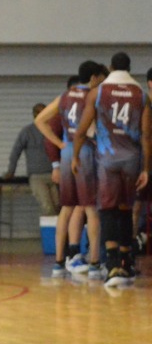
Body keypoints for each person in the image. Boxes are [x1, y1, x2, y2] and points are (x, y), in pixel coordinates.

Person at [73, 52, 149, 287]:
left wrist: (75, 156)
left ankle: (112, 265)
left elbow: (82, 128)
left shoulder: (98, 93)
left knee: (107, 209)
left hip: (107, 159)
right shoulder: (141, 95)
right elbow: (147, 135)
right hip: (131, 160)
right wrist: (146, 168)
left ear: (110, 67)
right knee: (126, 209)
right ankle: (127, 263)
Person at [37, 63, 107, 278]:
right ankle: (95, 262)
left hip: (66, 153)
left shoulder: (65, 96)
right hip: (84, 151)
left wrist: (59, 145)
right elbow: (96, 129)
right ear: (94, 78)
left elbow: (40, 120)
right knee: (90, 208)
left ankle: (59, 262)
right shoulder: (94, 96)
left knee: (67, 207)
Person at [6, 103, 60, 217]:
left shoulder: (53, 130)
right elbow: (16, 151)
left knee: (58, 206)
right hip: (37, 176)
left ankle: (59, 233)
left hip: (54, 175)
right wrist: (11, 171)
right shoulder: (27, 132)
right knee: (48, 207)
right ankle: (50, 234)